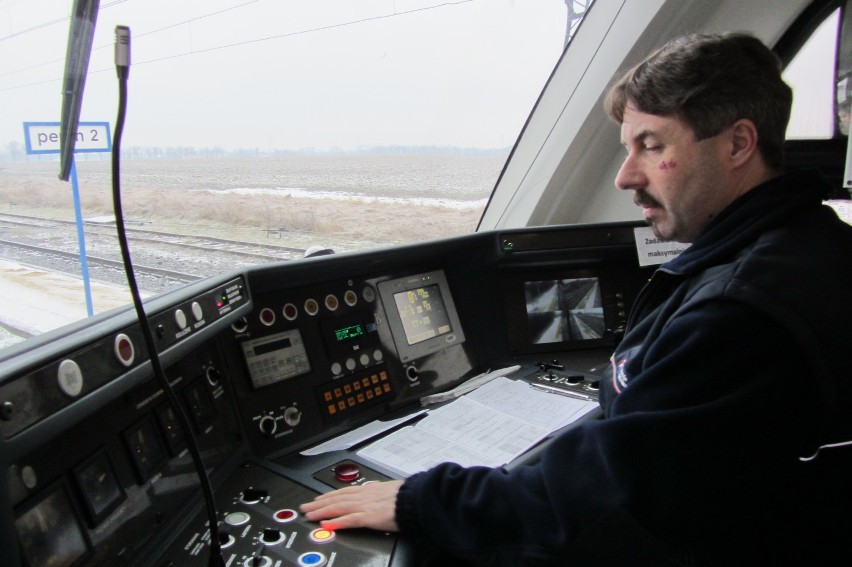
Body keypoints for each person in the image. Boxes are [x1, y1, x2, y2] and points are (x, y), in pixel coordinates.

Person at [301, 33, 852, 565]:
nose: (624, 176)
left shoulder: (741, 312)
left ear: (738, 144)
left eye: (651, 145)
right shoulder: (808, 243)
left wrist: (419, 500)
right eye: (626, 148)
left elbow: (610, 497)